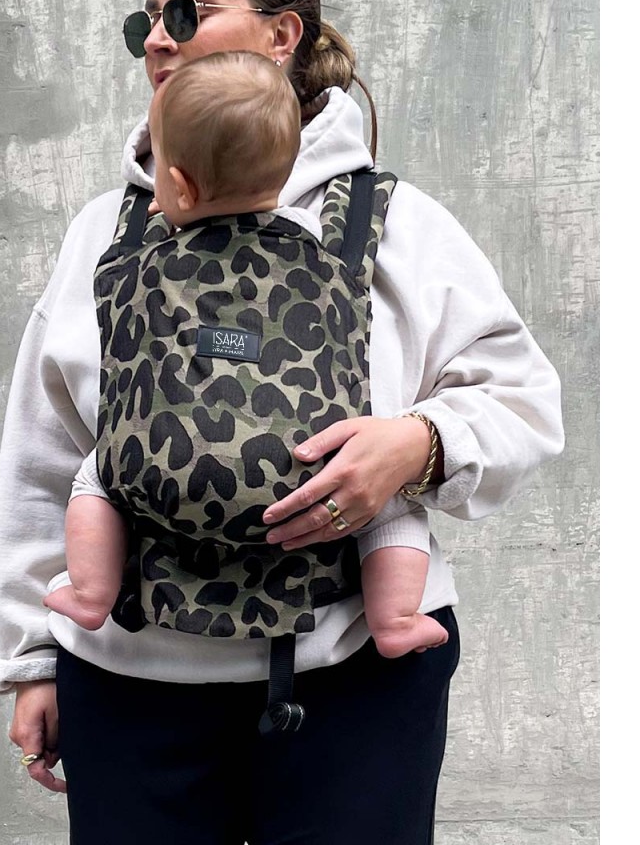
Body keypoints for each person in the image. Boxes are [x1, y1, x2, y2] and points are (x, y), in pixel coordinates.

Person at [0, 0, 564, 844]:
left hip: (354, 678)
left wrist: (417, 445)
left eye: (186, 12)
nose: (158, 39)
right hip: (130, 681)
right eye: (145, 22)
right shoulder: (105, 231)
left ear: (281, 32)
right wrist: (31, 660)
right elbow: (44, 453)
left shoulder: (396, 221)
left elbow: (522, 401)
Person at [43, 50, 449, 660]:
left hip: (159, 473)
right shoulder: (331, 247)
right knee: (391, 503)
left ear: (178, 186)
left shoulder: (135, 252)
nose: (157, 40)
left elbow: (41, 446)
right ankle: (394, 617)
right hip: (312, 481)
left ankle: (91, 591)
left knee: (95, 477)